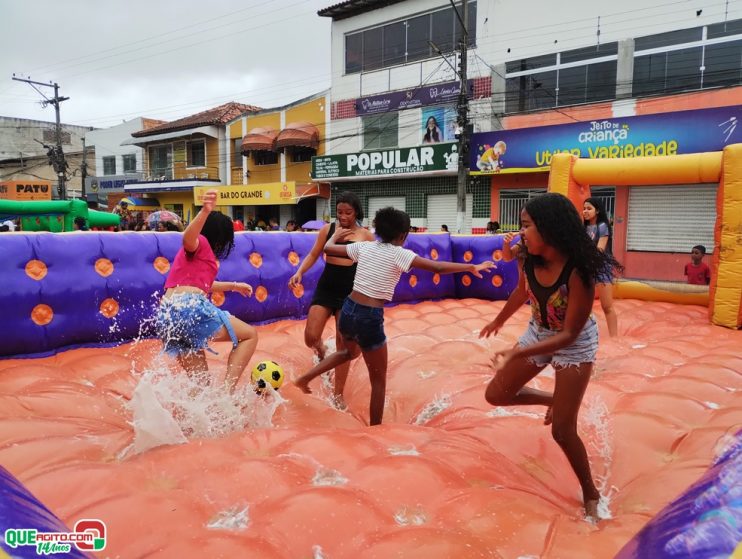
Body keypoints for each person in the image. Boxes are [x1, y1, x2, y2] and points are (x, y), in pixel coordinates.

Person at [479, 192, 621, 521]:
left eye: (526, 226)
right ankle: (550, 399)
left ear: (550, 229)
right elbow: (520, 292)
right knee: (495, 394)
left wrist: (518, 351)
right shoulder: (528, 257)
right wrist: (499, 321)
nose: (521, 232)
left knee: (562, 430)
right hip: (539, 331)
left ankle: (590, 492)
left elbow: (569, 333)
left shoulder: (579, 272)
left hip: (574, 343)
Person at [295, 207, 495, 425]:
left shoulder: (365, 247)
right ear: (402, 236)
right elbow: (437, 267)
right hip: (369, 316)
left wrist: (333, 236)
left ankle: (305, 378)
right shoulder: (401, 254)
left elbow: (329, 249)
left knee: (347, 352)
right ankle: (376, 429)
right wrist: (471, 266)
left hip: (349, 308)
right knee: (378, 380)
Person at [156, 190, 258, 393]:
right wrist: (204, 211)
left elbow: (201, 285)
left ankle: (195, 422)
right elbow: (188, 238)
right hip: (188, 308)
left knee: (201, 385)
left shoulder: (205, 259)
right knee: (249, 335)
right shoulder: (200, 243)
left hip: (167, 314)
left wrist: (234, 286)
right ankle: (227, 394)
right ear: (221, 239)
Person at [289, 192, 375, 409]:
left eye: (348, 212)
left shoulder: (365, 235)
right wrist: (299, 272)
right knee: (310, 336)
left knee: (342, 344)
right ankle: (320, 351)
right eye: (339, 212)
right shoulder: (328, 230)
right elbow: (313, 254)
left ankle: (338, 394)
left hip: (349, 291)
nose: (343, 216)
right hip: (326, 287)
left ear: (356, 212)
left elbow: (373, 263)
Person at [583, 197, 618, 337]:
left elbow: (600, 249)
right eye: (584, 208)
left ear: (597, 210)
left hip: (601, 265)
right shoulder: (584, 228)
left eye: (589, 208)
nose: (585, 211)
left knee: (607, 305)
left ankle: (614, 338)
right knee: (583, 304)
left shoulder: (602, 226)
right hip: (587, 264)